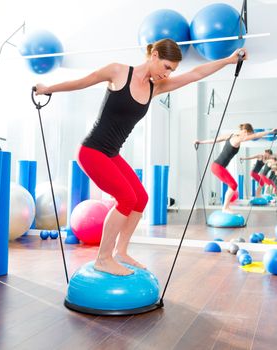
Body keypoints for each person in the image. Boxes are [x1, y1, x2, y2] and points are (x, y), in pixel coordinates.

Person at [36, 39, 247, 275]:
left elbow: (196, 74)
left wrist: (229, 61)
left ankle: (121, 251)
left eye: (172, 71)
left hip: (111, 153)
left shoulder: (155, 87)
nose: (168, 74)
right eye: (167, 67)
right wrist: (47, 89)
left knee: (141, 198)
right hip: (92, 151)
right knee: (126, 198)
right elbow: (83, 82)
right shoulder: (118, 71)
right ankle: (103, 258)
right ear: (154, 56)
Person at [195, 124, 277, 214]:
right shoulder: (238, 139)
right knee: (233, 185)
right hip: (218, 166)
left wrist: (201, 142)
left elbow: (215, 140)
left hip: (217, 166)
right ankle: (225, 207)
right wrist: (270, 131)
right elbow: (256, 135)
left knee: (233, 185)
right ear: (245, 132)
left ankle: (225, 207)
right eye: (249, 134)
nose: (248, 137)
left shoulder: (230, 135)